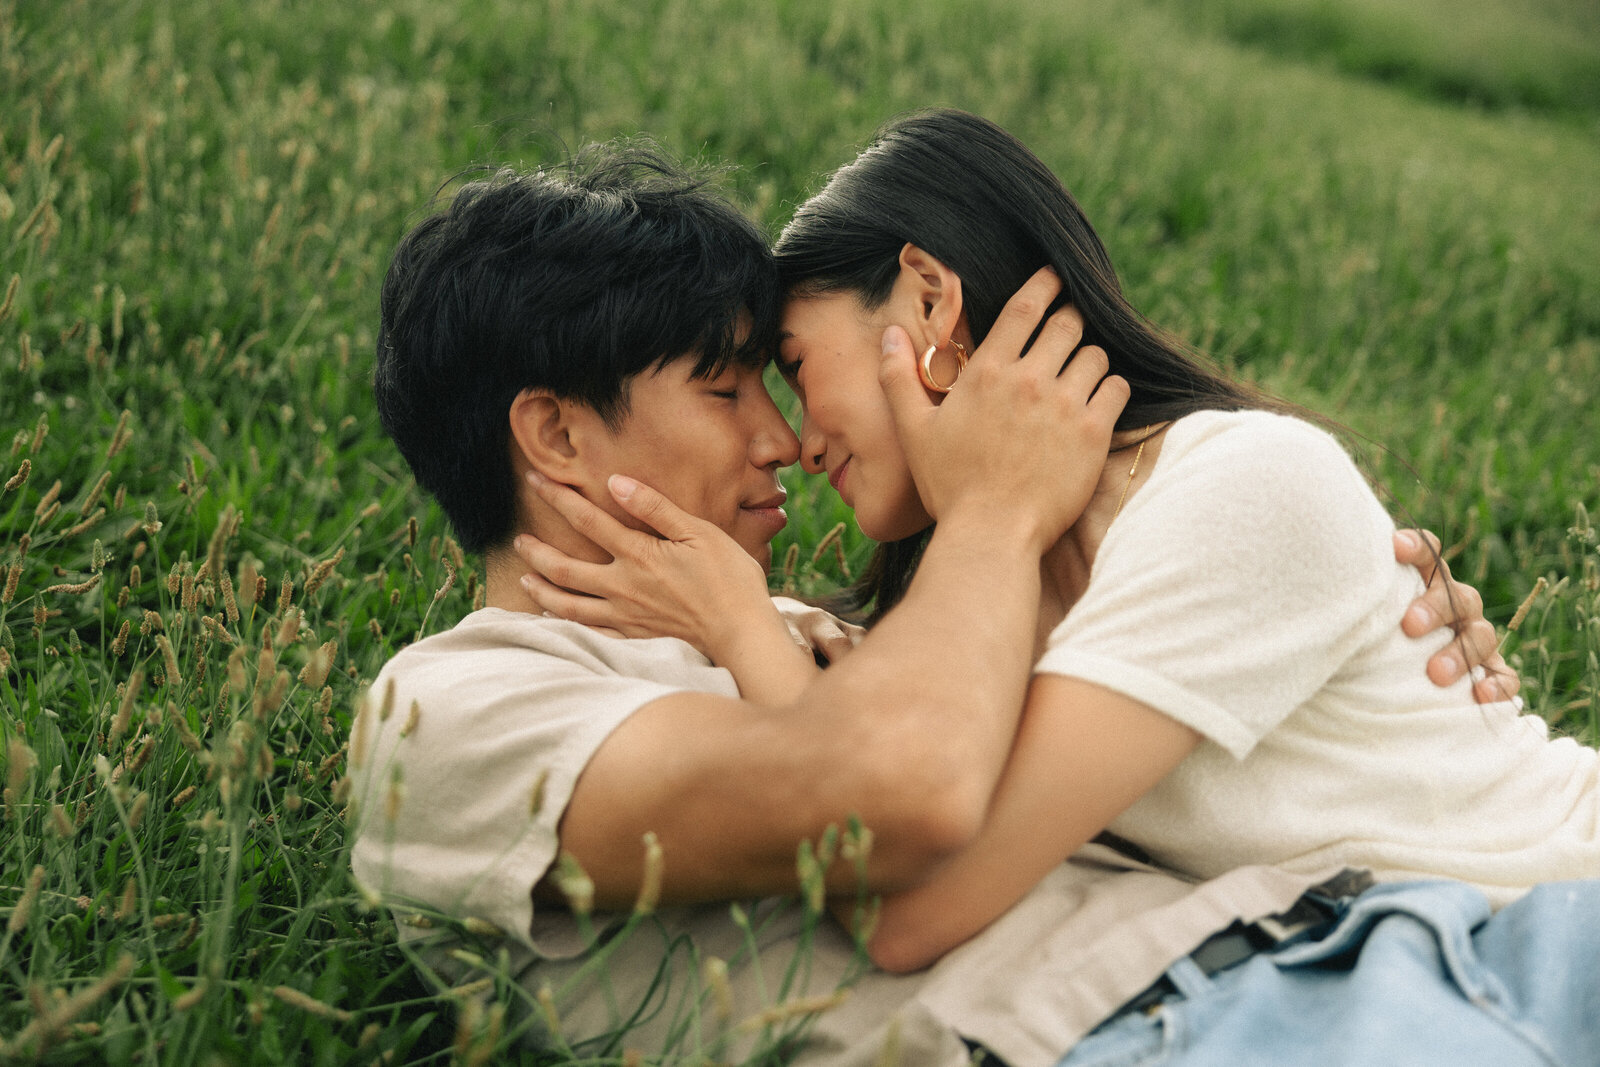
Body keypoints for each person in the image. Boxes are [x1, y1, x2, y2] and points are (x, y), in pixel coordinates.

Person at [355, 142, 1518, 1066]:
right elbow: (897, 799)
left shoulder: (842, 636)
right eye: (723, 390)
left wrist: (1363, 624)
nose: (782, 441)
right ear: (554, 433)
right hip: (1202, 1024)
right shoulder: (454, 711)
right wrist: (993, 513)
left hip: (1391, 948)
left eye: (781, 381)